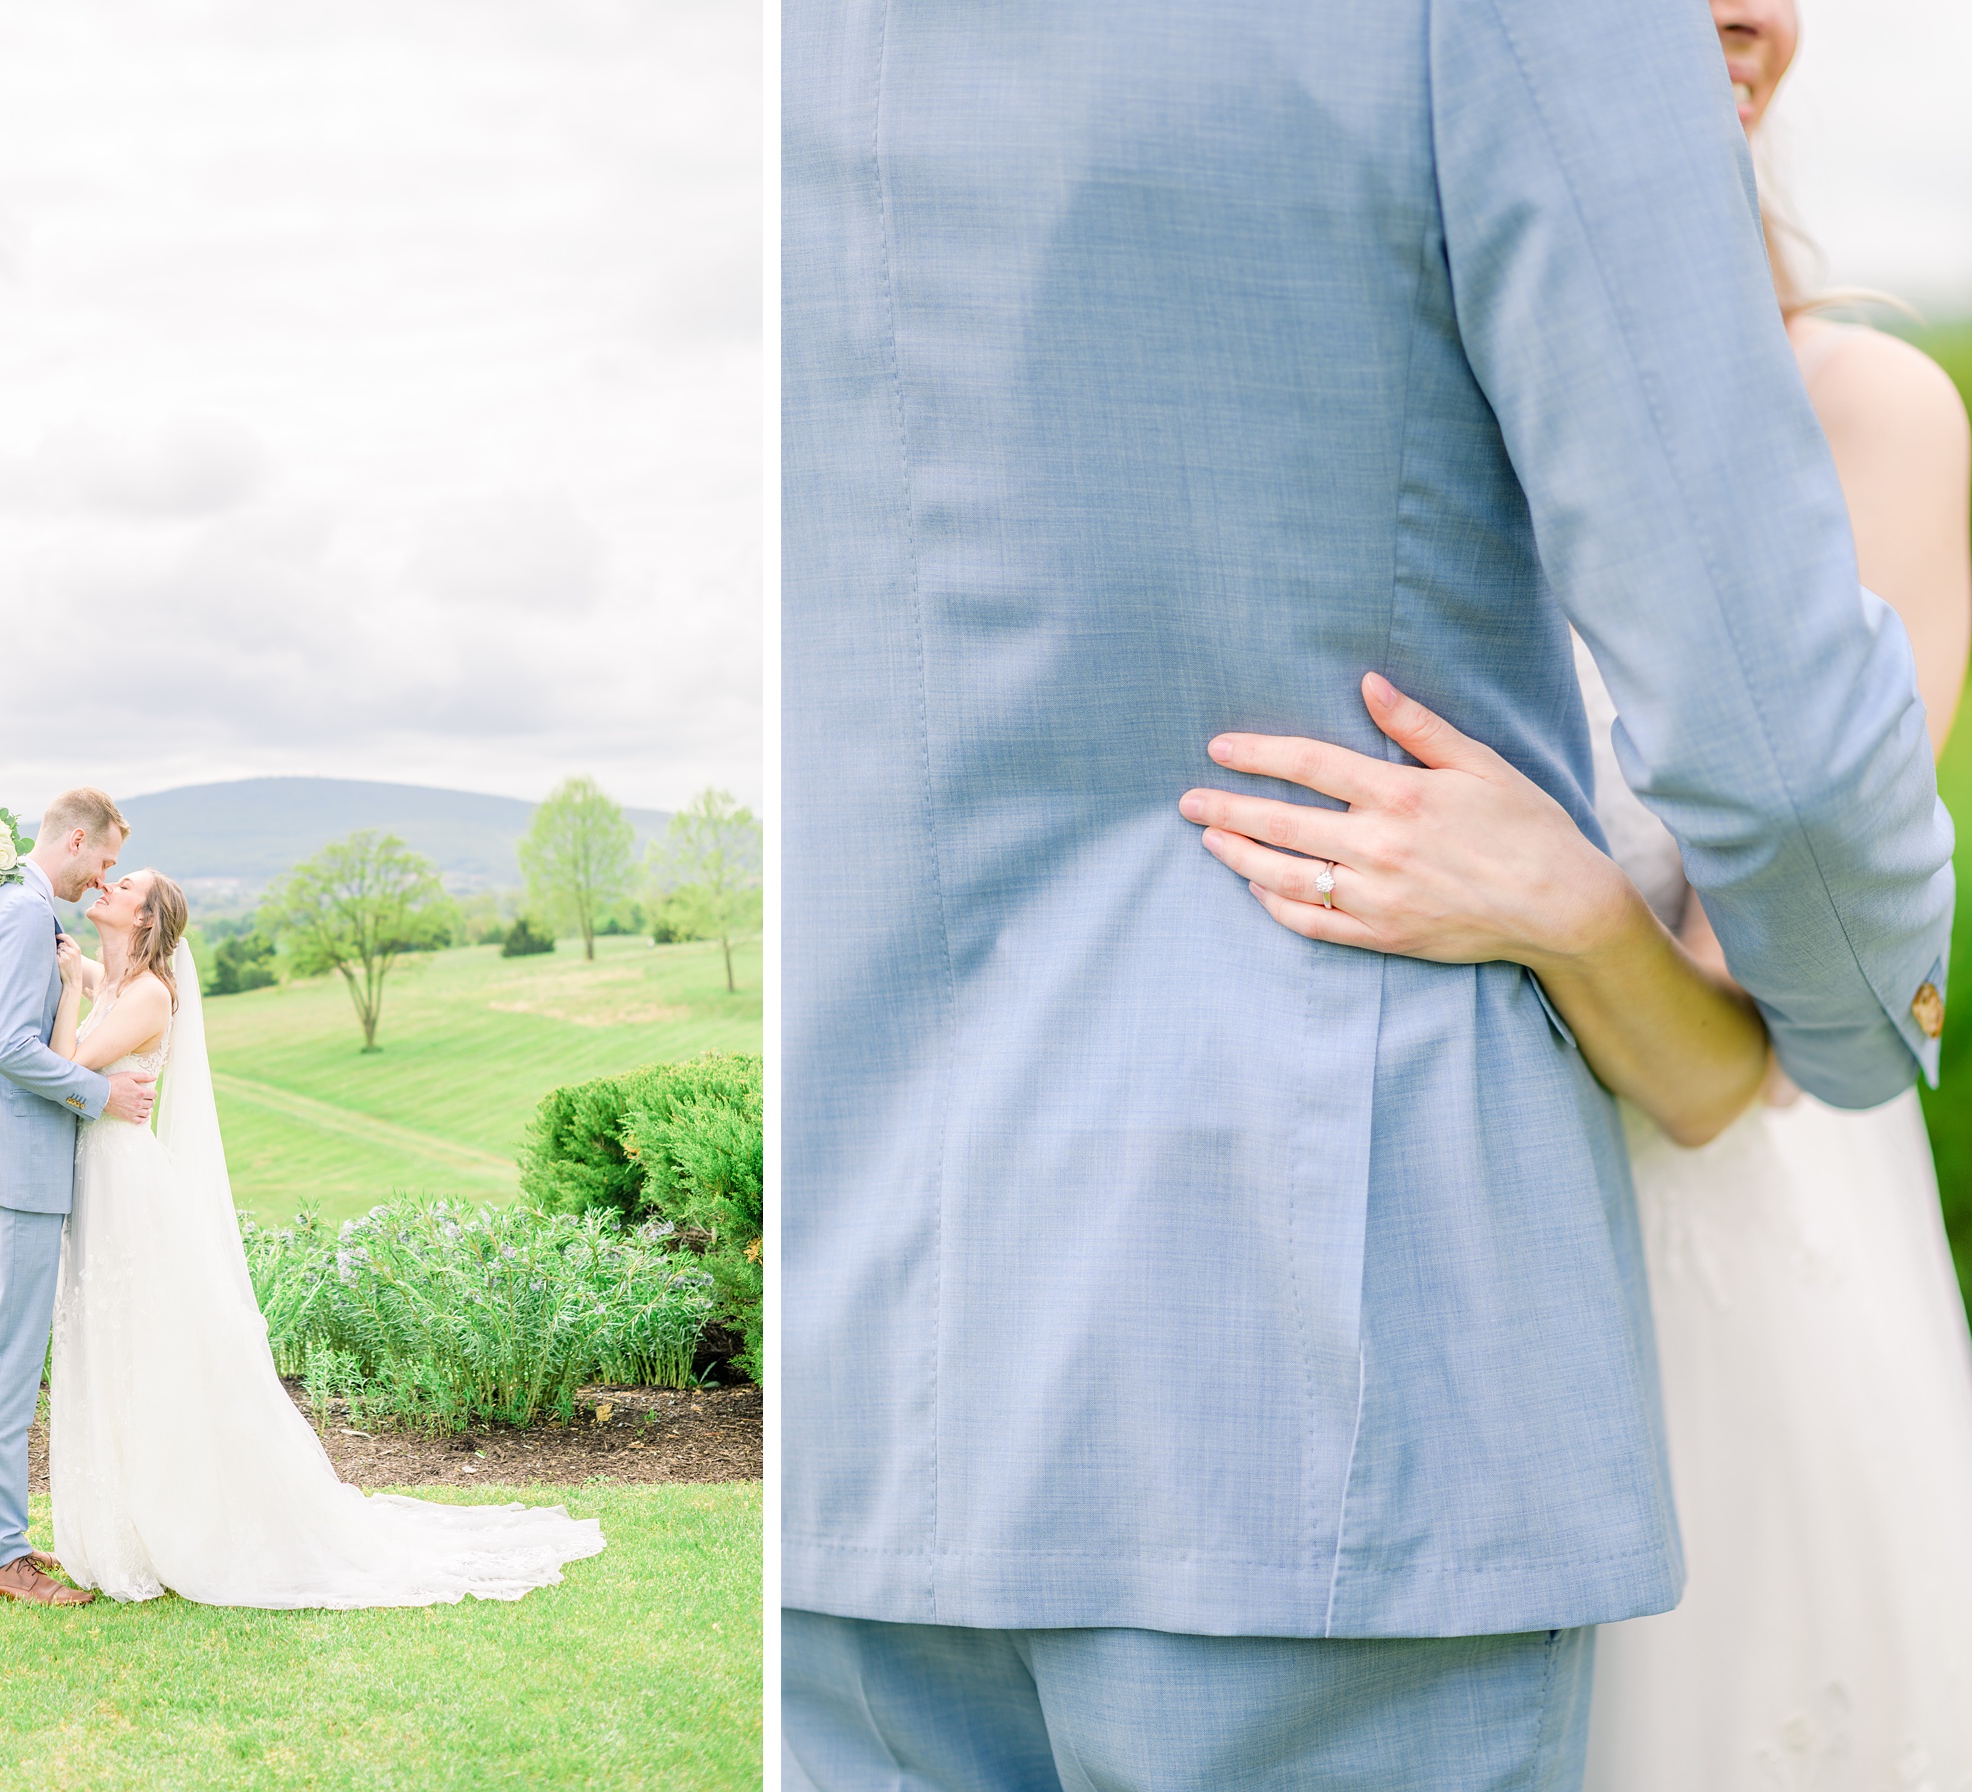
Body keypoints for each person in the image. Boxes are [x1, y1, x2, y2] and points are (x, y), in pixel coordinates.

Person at [781, 1, 1955, 1786]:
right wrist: (1855, 1027)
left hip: (874, 1369)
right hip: (1365, 1350)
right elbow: (1794, 793)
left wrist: (1568, 900)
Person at [1185, 4, 1972, 1781]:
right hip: (1411, 1293)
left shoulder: (1875, 416)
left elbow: (1734, 1074)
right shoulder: (1375, 412)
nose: (1753, 11)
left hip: (1737, 1312)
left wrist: (1563, 899)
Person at [38, 867, 605, 1608]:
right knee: (111, 1350)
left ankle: (181, 1525)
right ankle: (121, 1528)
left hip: (127, 1189)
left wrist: (71, 991)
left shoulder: (144, 993)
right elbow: (62, 968)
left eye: (125, 887)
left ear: (145, 920)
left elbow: (65, 1067)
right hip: (102, 1183)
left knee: (150, 1352)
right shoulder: (114, 977)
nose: (106, 888)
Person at [0, 786, 155, 1606]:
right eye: (105, 860)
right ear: (76, 839)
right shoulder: (23, 913)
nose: (104, 879)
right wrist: (101, 1098)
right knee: (8, 1365)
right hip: (14, 1166)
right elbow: (12, 1049)